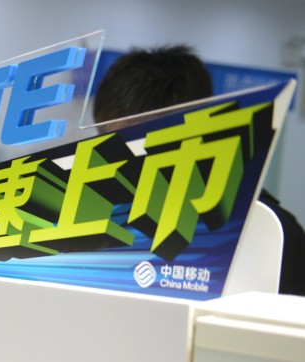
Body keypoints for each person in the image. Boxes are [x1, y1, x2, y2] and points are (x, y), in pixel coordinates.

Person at [93, 45, 305, 296]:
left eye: (138, 145)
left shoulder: (270, 229)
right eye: (107, 142)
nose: (120, 161)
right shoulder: (97, 215)